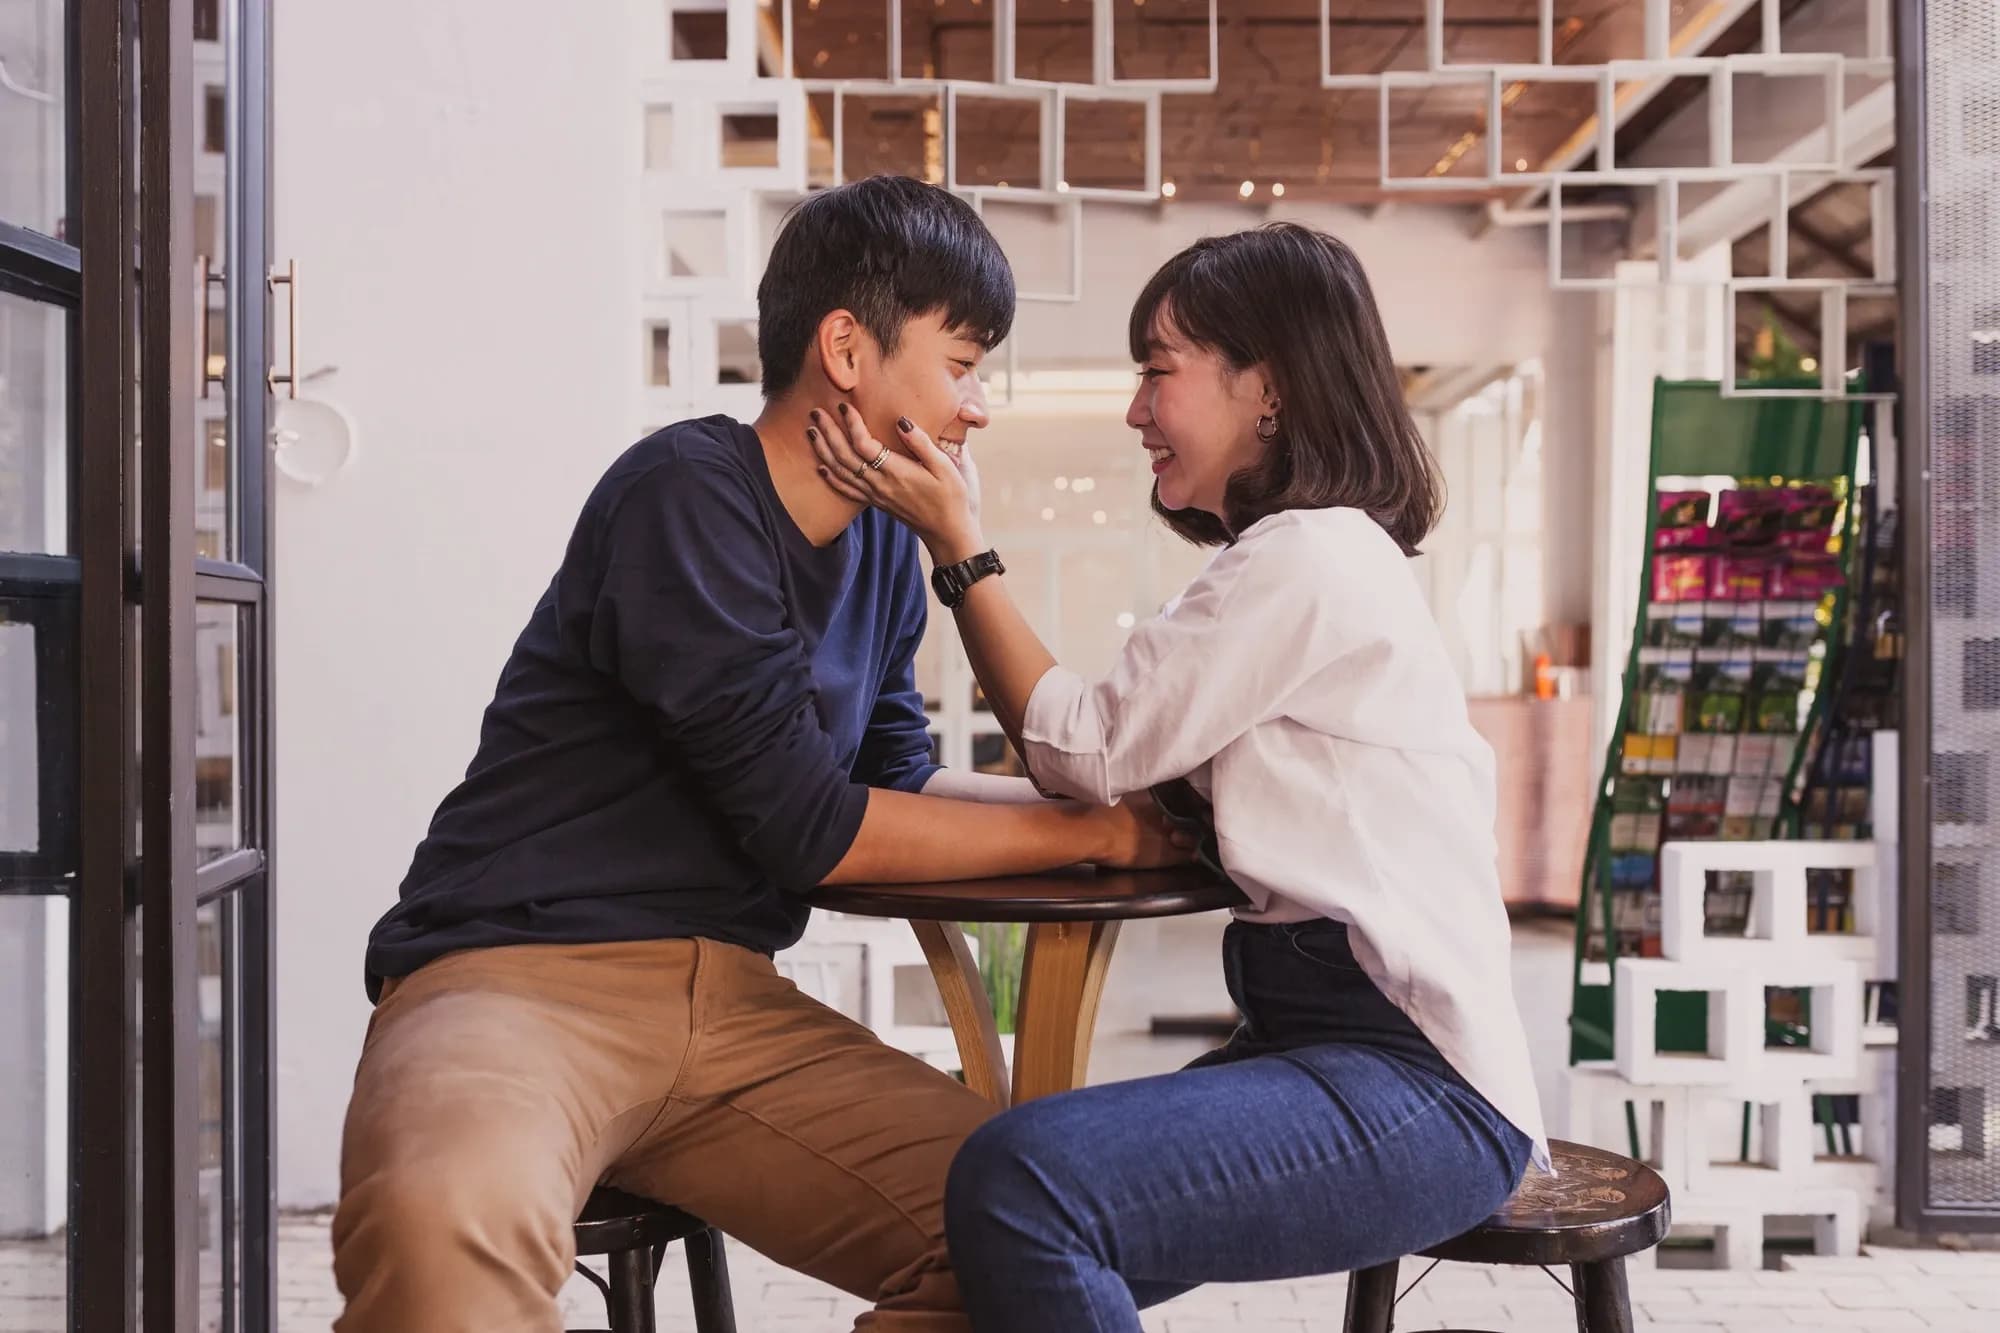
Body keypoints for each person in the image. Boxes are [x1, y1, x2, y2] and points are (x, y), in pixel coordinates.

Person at [330, 175, 1189, 1333]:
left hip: (733, 1009)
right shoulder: (685, 492)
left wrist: (1118, 814)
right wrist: (1090, 834)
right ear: (846, 349)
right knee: (441, 1231)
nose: (976, 408)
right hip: (516, 976)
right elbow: (808, 824)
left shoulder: (885, 546)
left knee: (1055, 1226)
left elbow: (890, 777)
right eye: (960, 364)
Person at [805, 222, 1550, 1332]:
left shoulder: (1309, 557)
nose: (1135, 410)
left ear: (1269, 387)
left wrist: (960, 546)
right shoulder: (1294, 559)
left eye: (1157, 371)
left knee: (1021, 1184)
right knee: (967, 1272)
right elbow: (1100, 794)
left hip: (1419, 1085)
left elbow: (1080, 749)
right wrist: (898, 801)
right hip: (1329, 1045)